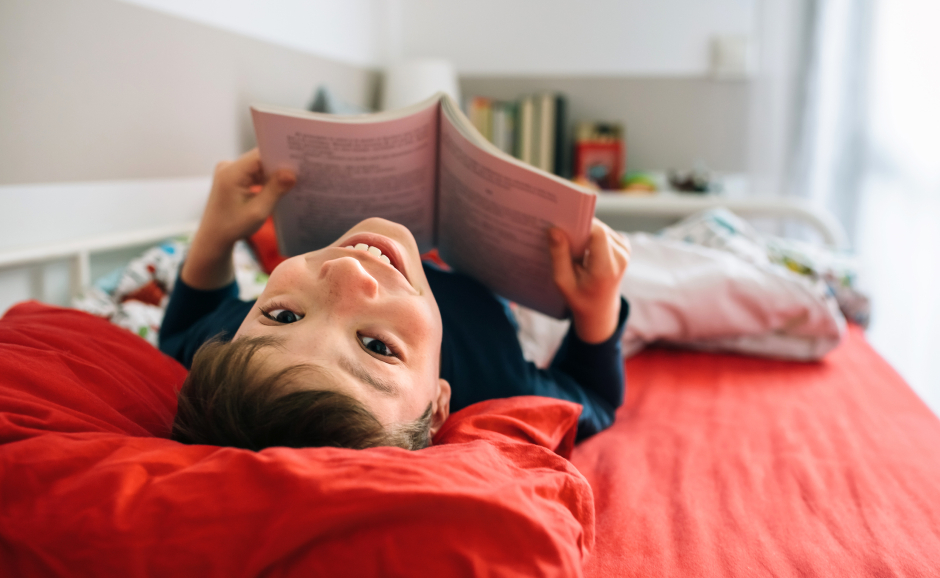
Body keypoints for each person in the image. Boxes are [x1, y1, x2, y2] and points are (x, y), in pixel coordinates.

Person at [160, 148, 631, 451]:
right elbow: (595, 399)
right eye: (377, 347)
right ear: (438, 406)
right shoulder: (496, 377)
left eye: (284, 315)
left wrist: (214, 236)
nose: (346, 273)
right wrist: (597, 310)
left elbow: (181, 333)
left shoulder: (238, 358)